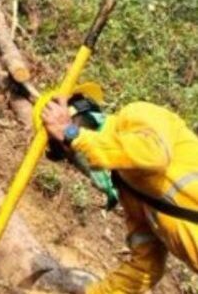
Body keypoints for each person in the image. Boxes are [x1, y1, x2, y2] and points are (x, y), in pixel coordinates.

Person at [42, 91, 198, 293]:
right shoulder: (129, 189)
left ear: (78, 116)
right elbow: (145, 267)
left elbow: (154, 155)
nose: (72, 157)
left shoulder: (136, 115)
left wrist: (72, 134)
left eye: (62, 146)